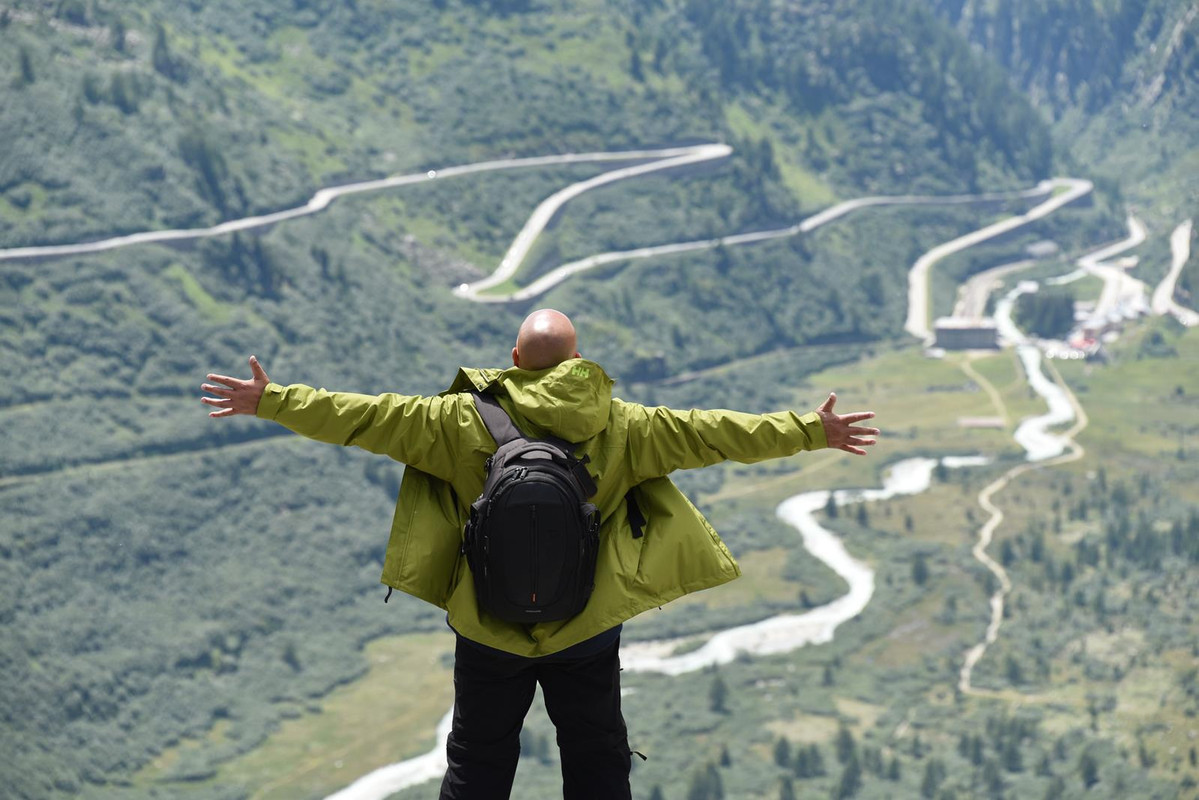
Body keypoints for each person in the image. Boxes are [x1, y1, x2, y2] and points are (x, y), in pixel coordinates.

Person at [201, 309, 879, 800]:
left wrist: (270, 400)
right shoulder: (627, 425)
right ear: (578, 361)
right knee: (595, 756)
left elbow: (359, 417)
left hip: (486, 624)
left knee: (476, 760)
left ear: (516, 359)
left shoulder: (454, 421)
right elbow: (721, 433)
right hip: (585, 625)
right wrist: (810, 430)